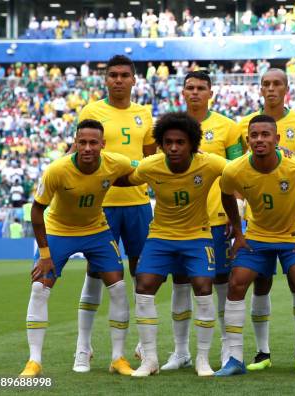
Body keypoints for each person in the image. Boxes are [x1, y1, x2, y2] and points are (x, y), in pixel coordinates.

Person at [114, 112, 227, 377]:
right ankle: (150, 359)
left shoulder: (209, 163)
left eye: (180, 142)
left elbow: (239, 170)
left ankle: (202, 359)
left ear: (192, 144)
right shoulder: (151, 166)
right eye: (168, 142)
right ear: (161, 144)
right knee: (144, 285)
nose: (174, 147)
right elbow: (125, 179)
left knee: (203, 286)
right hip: (161, 235)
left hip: (197, 235)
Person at [19, 120, 135, 377]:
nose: (87, 148)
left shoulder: (115, 163)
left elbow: (141, 169)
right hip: (59, 231)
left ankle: (118, 358)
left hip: (96, 230)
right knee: (39, 288)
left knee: (117, 287)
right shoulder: (56, 170)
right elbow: (37, 210)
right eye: (82, 142)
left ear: (103, 145)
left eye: (94, 143)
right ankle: (34, 361)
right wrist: (45, 255)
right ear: (75, 143)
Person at [215, 115, 295, 378]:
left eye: (266, 135)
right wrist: (237, 231)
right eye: (254, 135)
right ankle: (234, 358)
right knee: (236, 283)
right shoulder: (235, 169)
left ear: (277, 139)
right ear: (248, 140)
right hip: (256, 236)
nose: (260, 140)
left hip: (293, 236)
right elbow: (225, 192)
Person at [75, 55, 157, 372]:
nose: (119, 80)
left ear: (134, 80)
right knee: (96, 272)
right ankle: (84, 347)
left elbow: (151, 158)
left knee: (142, 274)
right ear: (106, 80)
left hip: (137, 204)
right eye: (113, 75)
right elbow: (79, 153)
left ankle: (139, 343)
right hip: (103, 204)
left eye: (125, 75)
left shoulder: (144, 114)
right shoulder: (92, 111)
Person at [234, 68, 295, 371]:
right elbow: (239, 173)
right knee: (259, 284)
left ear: (287, 88)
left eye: (276, 83)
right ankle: (262, 352)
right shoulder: (245, 125)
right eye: (265, 83)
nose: (270, 88)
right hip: (257, 223)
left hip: (293, 222)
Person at [176, 71, 243, 370]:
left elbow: (237, 172)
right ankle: (180, 352)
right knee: (180, 283)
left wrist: (235, 213)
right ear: (182, 92)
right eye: (190, 87)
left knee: (220, 283)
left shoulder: (227, 127)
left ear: (210, 93)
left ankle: (228, 350)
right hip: (179, 222)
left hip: (216, 219)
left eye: (201, 88)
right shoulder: (170, 127)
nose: (195, 93)